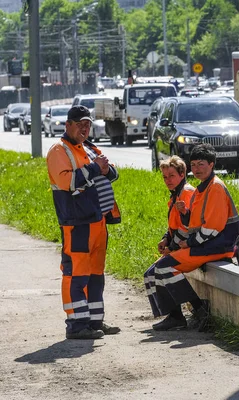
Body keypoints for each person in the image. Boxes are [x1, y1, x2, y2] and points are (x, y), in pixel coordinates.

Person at [144, 144, 239, 331]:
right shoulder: (201, 188)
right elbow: (194, 223)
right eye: (194, 164)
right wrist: (186, 214)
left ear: (212, 164)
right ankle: (180, 315)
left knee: (164, 267)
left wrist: (185, 243)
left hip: (218, 246)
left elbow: (212, 229)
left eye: (201, 164)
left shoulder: (215, 188)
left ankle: (199, 311)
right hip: (206, 245)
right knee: (160, 268)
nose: (197, 169)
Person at [46, 105, 121, 340]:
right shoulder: (59, 150)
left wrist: (105, 168)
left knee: (96, 273)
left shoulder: (88, 147)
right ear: (67, 125)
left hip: (97, 220)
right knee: (75, 272)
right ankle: (76, 325)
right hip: (76, 222)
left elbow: (112, 173)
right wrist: (95, 168)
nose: (84, 128)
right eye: (79, 124)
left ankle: (95, 321)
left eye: (87, 124)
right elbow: (68, 182)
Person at [144, 156, 196, 322]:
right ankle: (171, 315)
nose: (168, 180)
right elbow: (174, 226)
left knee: (159, 270)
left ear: (182, 174)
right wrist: (165, 239)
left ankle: (191, 311)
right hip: (179, 245)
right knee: (149, 274)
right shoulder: (175, 195)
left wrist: (171, 248)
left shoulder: (186, 192)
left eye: (172, 176)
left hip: (188, 246)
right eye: (165, 177)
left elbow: (186, 228)